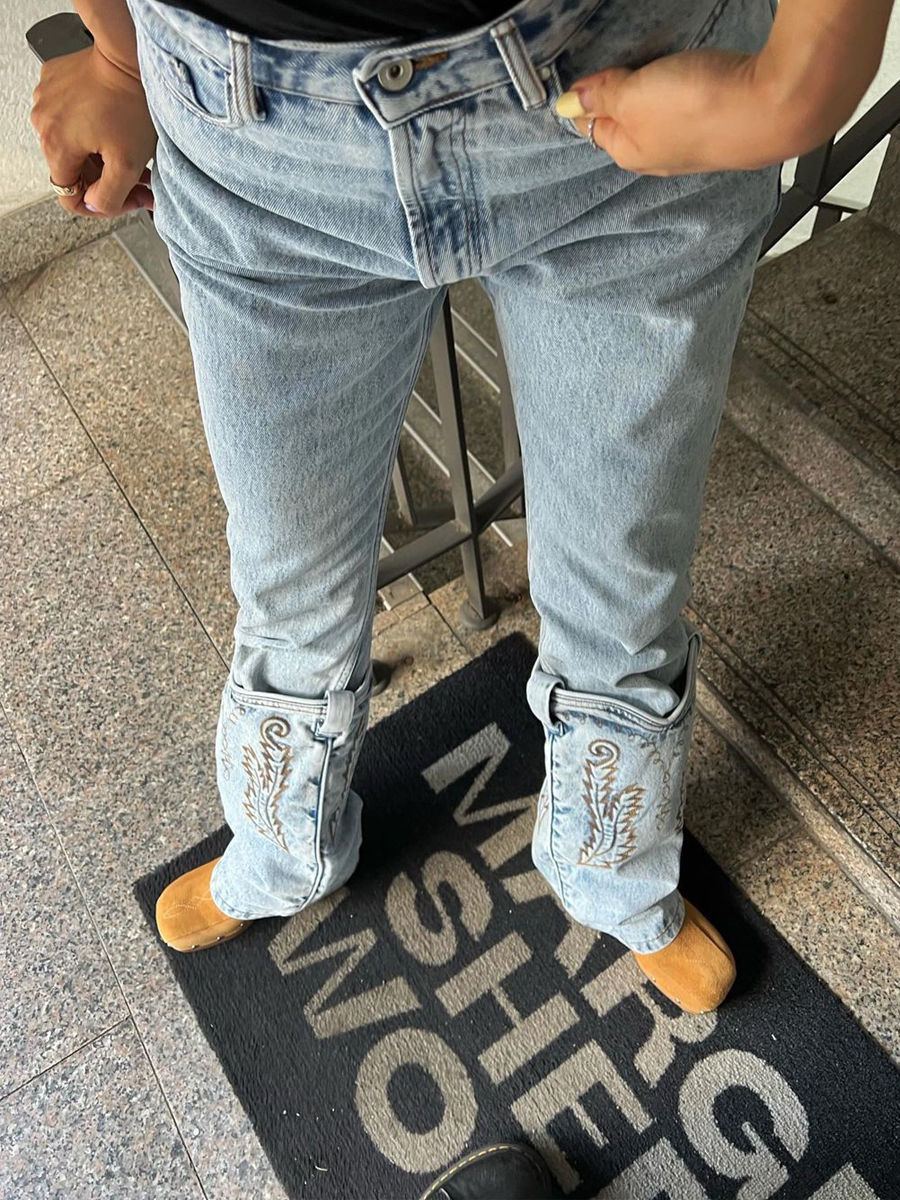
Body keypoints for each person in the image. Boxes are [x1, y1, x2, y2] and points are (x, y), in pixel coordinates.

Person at [31, 0, 893, 1017]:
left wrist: (809, 79)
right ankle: (282, 847)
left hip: (630, 78)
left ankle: (610, 869)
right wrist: (121, 57)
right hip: (251, 137)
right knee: (286, 569)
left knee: (622, 572)